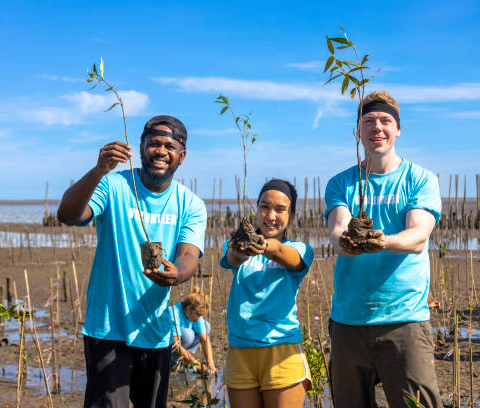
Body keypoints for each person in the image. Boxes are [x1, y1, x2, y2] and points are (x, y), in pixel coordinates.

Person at [56, 115, 206, 408]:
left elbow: (189, 255)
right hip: (108, 329)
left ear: (182, 156)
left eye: (170, 146)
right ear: (140, 147)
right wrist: (99, 170)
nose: (161, 151)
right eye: (154, 144)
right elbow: (68, 215)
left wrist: (176, 275)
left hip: (157, 332)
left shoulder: (191, 204)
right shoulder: (112, 185)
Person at [325, 90, 443, 408]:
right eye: (369, 121)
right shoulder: (341, 183)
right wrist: (347, 245)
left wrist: (382, 242)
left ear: (398, 129)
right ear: (358, 131)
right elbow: (338, 229)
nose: (377, 127)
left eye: (385, 120)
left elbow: (418, 236)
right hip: (349, 321)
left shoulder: (420, 179)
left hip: (404, 319)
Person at [221, 179, 314, 408]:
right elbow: (233, 258)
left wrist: (263, 245)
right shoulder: (235, 245)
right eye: (264, 207)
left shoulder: (301, 249)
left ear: (291, 215)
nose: (271, 215)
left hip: (281, 351)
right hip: (239, 351)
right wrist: (242, 248)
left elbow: (285, 254)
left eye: (280, 209)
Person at [169, 289, 217, 375]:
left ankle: (186, 360)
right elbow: (176, 345)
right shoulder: (173, 312)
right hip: (169, 351)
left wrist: (211, 364)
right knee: (188, 335)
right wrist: (196, 364)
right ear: (189, 309)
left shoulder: (194, 313)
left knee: (206, 326)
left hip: (183, 348)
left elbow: (204, 340)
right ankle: (174, 361)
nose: (199, 318)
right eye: (198, 315)